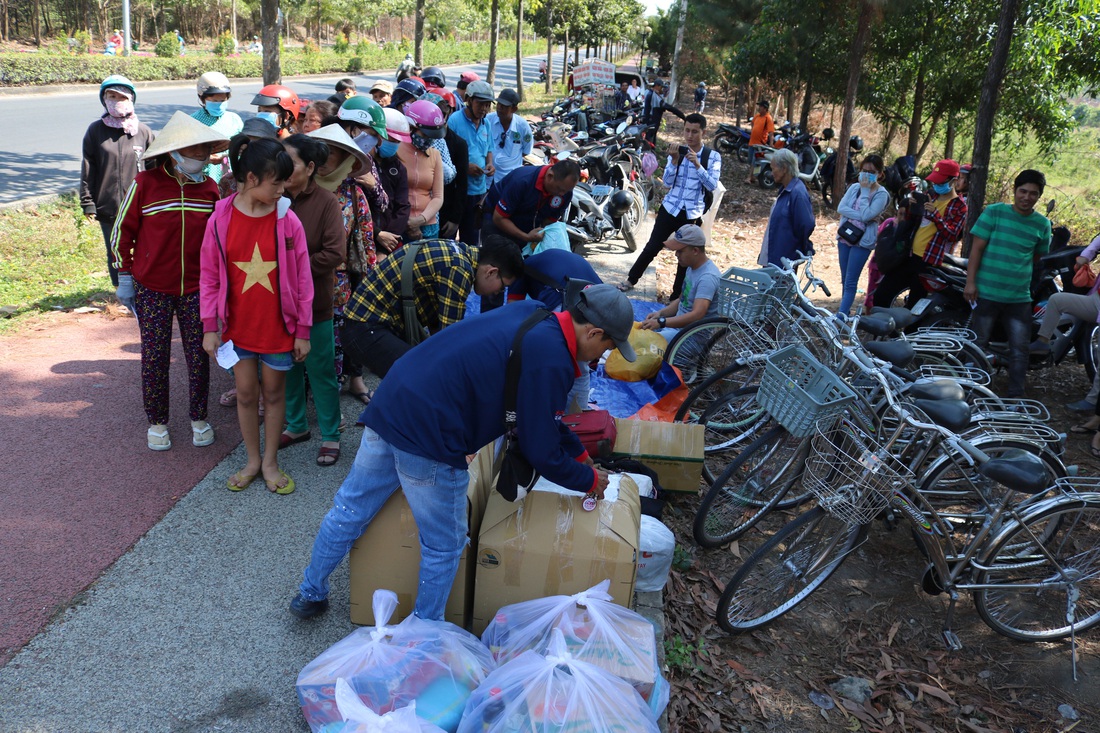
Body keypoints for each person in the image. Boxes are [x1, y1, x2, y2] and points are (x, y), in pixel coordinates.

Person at [289, 284, 636, 621]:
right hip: (430, 433)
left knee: (351, 508)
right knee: (444, 545)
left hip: (395, 399)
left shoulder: (534, 313)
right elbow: (539, 448)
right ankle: (425, 632)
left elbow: (541, 418)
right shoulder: (553, 359)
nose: (602, 357)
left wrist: (578, 456)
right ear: (593, 332)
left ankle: (310, 593)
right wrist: (587, 479)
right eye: (607, 347)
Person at [199, 136, 314, 495]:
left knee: (275, 394)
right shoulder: (220, 220)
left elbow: (304, 277)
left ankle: (270, 462)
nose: (283, 189)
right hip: (237, 328)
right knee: (247, 394)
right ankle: (251, 460)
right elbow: (210, 276)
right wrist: (210, 327)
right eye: (276, 182)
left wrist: (303, 331)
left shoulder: (288, 220)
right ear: (251, 179)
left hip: (279, 328)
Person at [111, 112, 228, 451]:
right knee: (155, 355)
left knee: (199, 353)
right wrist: (125, 275)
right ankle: (157, 421)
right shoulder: (145, 184)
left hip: (196, 288)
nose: (203, 158)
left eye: (206, 151)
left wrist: (220, 283)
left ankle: (199, 417)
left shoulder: (210, 188)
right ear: (176, 152)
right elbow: (122, 231)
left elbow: (220, 239)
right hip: (152, 287)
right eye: (197, 151)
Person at [341, 236, 524, 383]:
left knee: (419, 374)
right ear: (491, 272)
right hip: (364, 327)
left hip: (371, 323)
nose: (499, 292)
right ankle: (383, 425)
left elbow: (439, 332)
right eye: (503, 286)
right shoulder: (458, 270)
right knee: (418, 379)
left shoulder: (459, 252)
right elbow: (450, 342)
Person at [280, 134, 347, 467]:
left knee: (320, 370)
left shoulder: (326, 202)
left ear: (309, 167)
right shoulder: (272, 197)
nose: (282, 168)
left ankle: (331, 435)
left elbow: (335, 253)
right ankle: (297, 426)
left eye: (290, 162)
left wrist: (288, 267)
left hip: (314, 303)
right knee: (288, 368)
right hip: (278, 303)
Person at [964, 169, 1052, 398]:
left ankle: (1015, 397)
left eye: (1033, 193)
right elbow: (976, 250)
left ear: (1039, 196)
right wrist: (970, 282)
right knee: (977, 345)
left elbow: (1036, 258)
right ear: (1015, 191)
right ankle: (969, 391)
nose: (1027, 197)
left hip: (1018, 297)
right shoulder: (994, 213)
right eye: (1023, 191)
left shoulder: (1042, 224)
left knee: (1020, 350)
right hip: (986, 292)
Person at [618, 113, 720, 299]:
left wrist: (697, 165)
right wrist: (673, 161)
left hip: (692, 214)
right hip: (671, 207)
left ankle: (675, 298)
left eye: (695, 132)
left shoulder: (711, 157)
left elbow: (712, 185)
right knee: (652, 247)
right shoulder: (679, 151)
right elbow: (667, 183)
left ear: (703, 132)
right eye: (687, 130)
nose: (690, 135)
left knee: (684, 258)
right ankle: (631, 280)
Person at [309, 123, 375, 406]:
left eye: (330, 155)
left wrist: (370, 280)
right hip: (299, 277)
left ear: (345, 160)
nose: (323, 162)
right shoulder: (298, 188)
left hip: (338, 283)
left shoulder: (352, 193)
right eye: (319, 155)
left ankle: (330, 405)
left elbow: (366, 239)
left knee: (333, 342)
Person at [81, 75, 155, 288]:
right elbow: (89, 168)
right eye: (111, 96)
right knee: (115, 249)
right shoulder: (95, 131)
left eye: (121, 96)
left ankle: (143, 288)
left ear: (131, 98)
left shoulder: (143, 132)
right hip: (109, 206)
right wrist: (88, 202)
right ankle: (121, 290)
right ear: (104, 100)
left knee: (144, 247)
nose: (116, 100)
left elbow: (156, 168)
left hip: (142, 206)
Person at [873, 159, 967, 309]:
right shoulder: (930, 195)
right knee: (882, 295)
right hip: (908, 255)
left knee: (915, 306)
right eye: (934, 182)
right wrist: (911, 207)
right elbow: (914, 223)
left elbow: (952, 234)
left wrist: (935, 214)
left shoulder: (960, 207)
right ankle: (888, 331)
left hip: (929, 263)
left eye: (940, 182)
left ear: (953, 181)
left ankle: (910, 333)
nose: (936, 185)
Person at [1032, 233, 1100, 420]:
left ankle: (1092, 402)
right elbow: (1091, 248)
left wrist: (1083, 259)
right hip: (1095, 299)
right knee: (1057, 300)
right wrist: (1083, 258)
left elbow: (1091, 249)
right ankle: (1042, 341)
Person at [639, 225, 721, 343]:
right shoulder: (692, 267)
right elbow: (682, 299)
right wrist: (660, 313)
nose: (676, 254)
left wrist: (662, 322)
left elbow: (697, 315)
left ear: (695, 251)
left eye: (680, 251)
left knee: (643, 342)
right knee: (639, 332)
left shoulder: (707, 278)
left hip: (691, 338)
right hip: (678, 330)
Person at [834, 154, 890, 317]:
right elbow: (841, 208)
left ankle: (840, 318)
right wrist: (865, 215)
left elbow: (867, 216)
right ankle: (845, 314)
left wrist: (865, 192)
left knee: (851, 282)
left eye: (871, 171)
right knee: (845, 279)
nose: (866, 174)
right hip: (845, 237)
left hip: (862, 242)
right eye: (864, 170)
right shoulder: (854, 187)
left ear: (880, 173)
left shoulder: (881, 194)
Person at [483, 158, 580, 247]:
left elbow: (549, 221)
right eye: (559, 189)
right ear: (550, 176)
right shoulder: (521, 181)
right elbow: (499, 218)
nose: (562, 194)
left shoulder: (565, 192)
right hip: (497, 221)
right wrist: (526, 237)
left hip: (527, 228)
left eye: (567, 191)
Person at [448, 80, 495, 246]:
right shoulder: (454, 121)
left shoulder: (486, 123)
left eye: (487, 105)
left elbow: (489, 148)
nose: (483, 109)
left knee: (472, 239)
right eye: (480, 104)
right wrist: (464, 167)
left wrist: (490, 164)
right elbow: (445, 154)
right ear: (468, 100)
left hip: (479, 191)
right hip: (458, 191)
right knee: (449, 238)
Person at [757, 148, 816, 268]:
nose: (772, 172)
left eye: (774, 168)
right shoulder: (785, 190)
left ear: (784, 168)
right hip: (774, 256)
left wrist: (793, 246)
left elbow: (806, 224)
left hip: (784, 259)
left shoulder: (797, 193)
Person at [398, 100, 446, 240]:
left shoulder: (435, 155)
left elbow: (438, 196)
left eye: (432, 137)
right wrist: (408, 222)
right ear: (411, 127)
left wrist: (420, 220)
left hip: (428, 225)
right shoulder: (396, 150)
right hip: (401, 224)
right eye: (425, 135)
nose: (428, 140)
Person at [191, 71, 244, 184]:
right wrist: (206, 159)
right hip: (203, 179)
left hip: (232, 179)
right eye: (214, 101)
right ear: (202, 98)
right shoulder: (193, 121)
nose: (219, 104)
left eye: (222, 100)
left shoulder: (235, 120)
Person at [434, 91, 468, 240]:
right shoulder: (417, 138)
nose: (437, 118)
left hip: (445, 210)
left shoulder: (458, 143)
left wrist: (455, 219)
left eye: (441, 113)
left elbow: (462, 184)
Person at [487, 88, 533, 184]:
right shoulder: (488, 120)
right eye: (498, 104)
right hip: (488, 177)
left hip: (509, 180)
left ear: (514, 109)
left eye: (504, 106)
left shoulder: (523, 127)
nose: (499, 108)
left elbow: (525, 151)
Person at [640, 79, 685, 145]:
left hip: (644, 120)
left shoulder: (646, 92)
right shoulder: (654, 96)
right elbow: (668, 107)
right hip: (651, 122)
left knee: (646, 140)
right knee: (649, 142)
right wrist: (682, 116)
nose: (662, 89)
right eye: (661, 87)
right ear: (657, 86)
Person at [745, 99, 775, 185]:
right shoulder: (757, 116)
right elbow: (752, 123)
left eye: (761, 107)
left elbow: (771, 132)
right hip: (752, 142)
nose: (759, 108)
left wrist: (771, 144)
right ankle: (754, 176)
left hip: (760, 144)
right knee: (750, 160)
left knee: (755, 160)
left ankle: (749, 177)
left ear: (765, 108)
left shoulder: (768, 118)